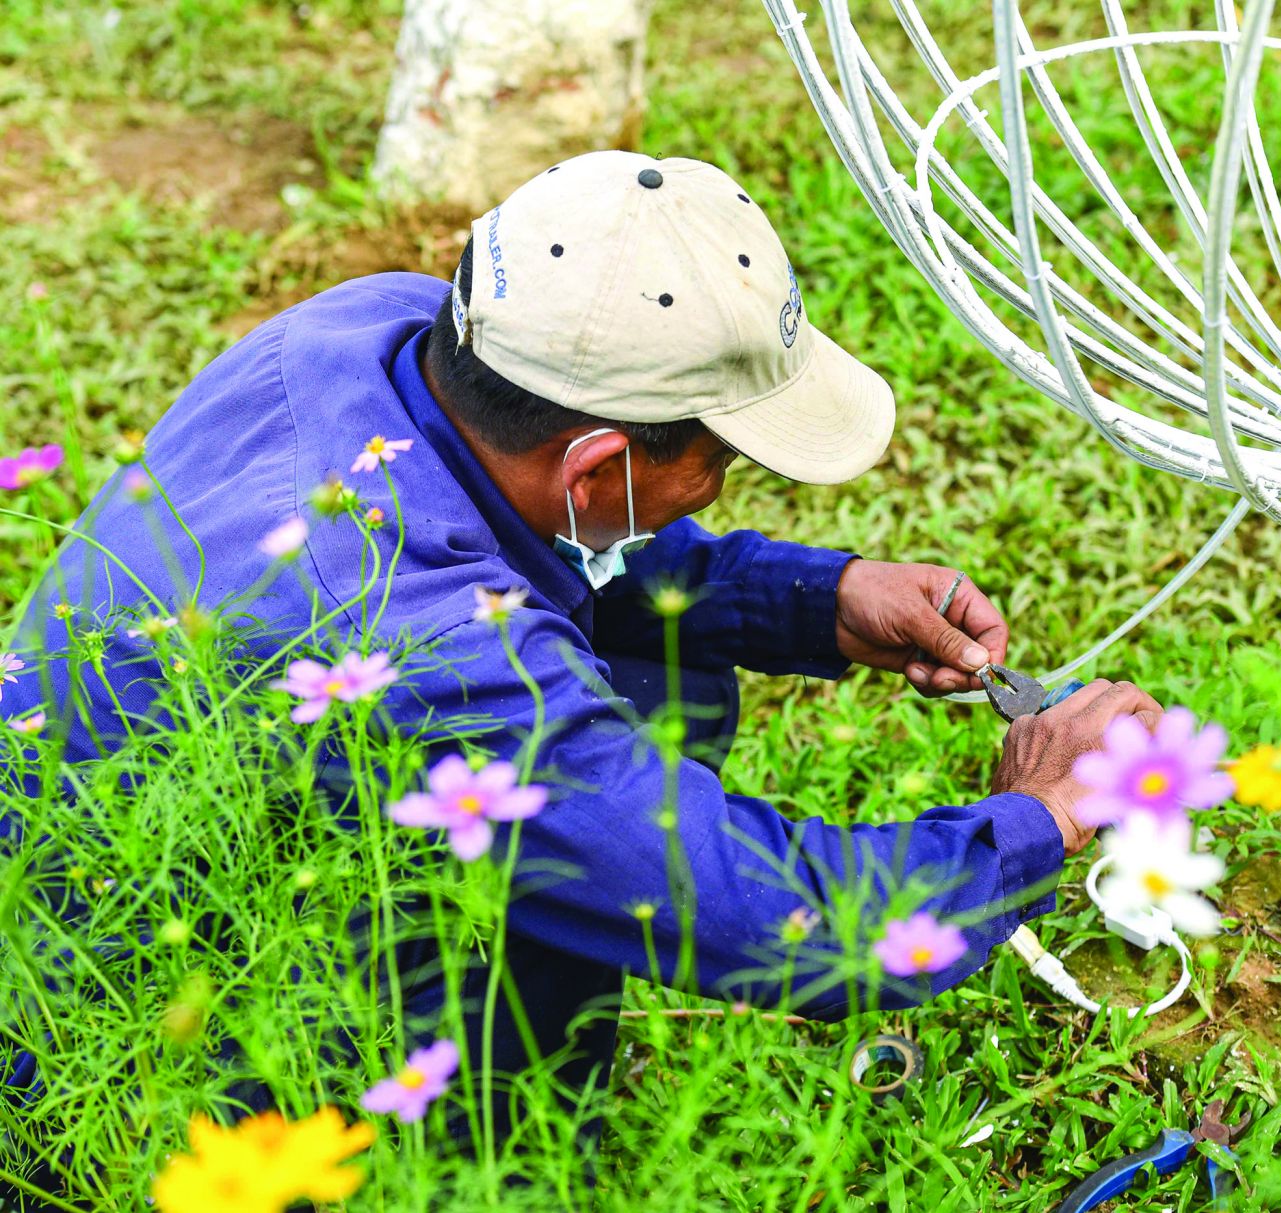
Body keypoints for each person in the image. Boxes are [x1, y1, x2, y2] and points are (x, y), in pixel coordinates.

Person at [4, 150, 1162, 1132]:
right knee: (559, 920)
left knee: (660, 663)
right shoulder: (433, 664)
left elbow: (503, 530)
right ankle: (482, 1146)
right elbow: (797, 930)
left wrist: (825, 597)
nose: (720, 483)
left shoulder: (371, 330)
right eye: (719, 457)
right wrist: (1041, 815)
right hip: (126, 1063)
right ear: (600, 466)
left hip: (126, 857)